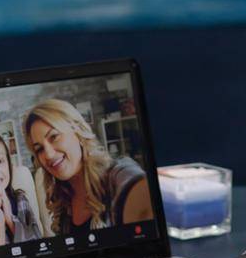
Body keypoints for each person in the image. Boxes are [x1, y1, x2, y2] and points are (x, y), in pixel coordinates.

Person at [22, 99, 152, 236]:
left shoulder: (117, 175)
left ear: (78, 132)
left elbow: (139, 193)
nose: (47, 155)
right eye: (39, 149)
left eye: (54, 137)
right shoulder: (62, 199)